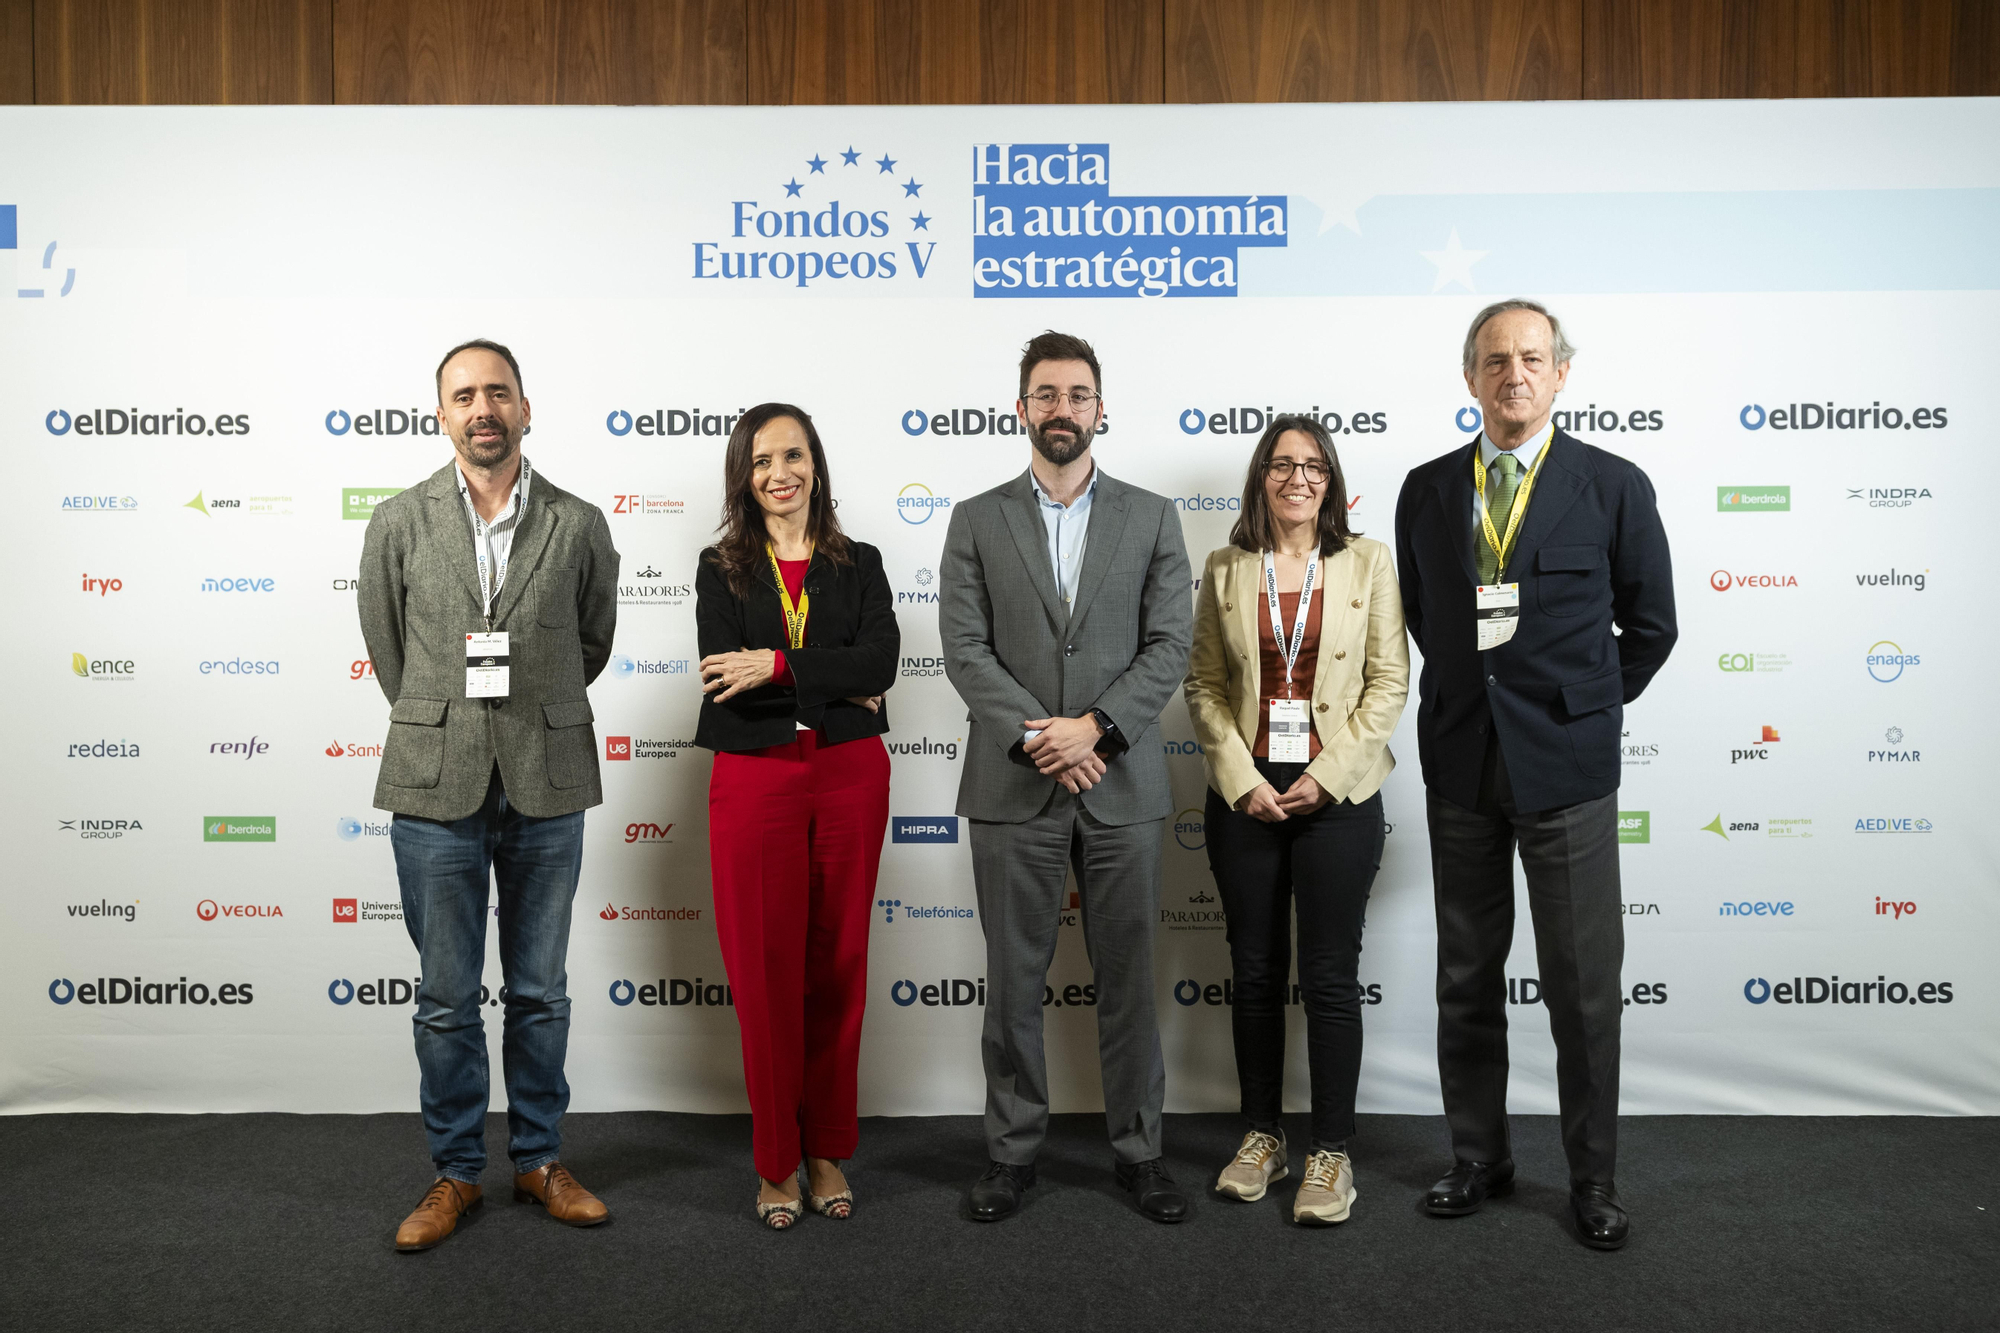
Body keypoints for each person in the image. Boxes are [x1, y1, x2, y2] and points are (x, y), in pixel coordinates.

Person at [1394, 300, 1676, 1250]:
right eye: (1493, 360)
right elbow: (1428, 623)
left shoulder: (1613, 484)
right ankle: (1480, 1157)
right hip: (1463, 765)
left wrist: (1582, 710)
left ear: (1561, 374)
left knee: (1584, 989)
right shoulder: (1425, 490)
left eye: (1531, 358)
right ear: (1469, 378)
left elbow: (1652, 626)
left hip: (1568, 771)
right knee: (1465, 976)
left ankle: (1593, 1178)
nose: (1512, 374)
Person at [359, 338, 620, 1252]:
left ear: (525, 407)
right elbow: (390, 649)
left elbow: (591, 643)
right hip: (437, 780)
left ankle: (540, 1158)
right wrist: (445, 722)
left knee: (541, 991)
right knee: (443, 996)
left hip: (547, 776)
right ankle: (456, 1173)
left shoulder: (580, 522)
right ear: (442, 414)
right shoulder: (398, 521)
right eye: (464, 395)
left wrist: (522, 715)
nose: (483, 408)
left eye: (498, 392)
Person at [939, 331, 1194, 1224]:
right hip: (1015, 787)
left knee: (1128, 979)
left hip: (1121, 786)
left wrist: (1100, 728)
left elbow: (1170, 645)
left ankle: (1141, 1152)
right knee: (1013, 983)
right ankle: (1011, 1154)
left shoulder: (1153, 516)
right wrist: (1045, 737)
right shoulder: (976, 517)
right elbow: (964, 650)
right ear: (1021, 410)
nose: (1062, 409)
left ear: (1099, 407)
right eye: (1045, 395)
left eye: (1077, 395)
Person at [1182, 414, 1408, 1225]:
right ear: (1260, 477)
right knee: (1252, 970)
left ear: (1332, 478)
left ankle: (1333, 1152)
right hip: (1246, 795)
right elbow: (1203, 685)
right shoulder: (1223, 567)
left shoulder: (1367, 562)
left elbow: (1389, 684)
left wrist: (1324, 774)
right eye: (1282, 464)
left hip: (1336, 795)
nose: (1298, 478)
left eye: (1313, 465)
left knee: (1328, 975)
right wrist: (1241, 777)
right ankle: (1261, 1136)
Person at [694, 403, 898, 1231]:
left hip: (849, 775)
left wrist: (777, 662)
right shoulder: (722, 568)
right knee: (766, 973)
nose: (781, 472)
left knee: (838, 964)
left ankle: (827, 1148)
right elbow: (719, 673)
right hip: (757, 778)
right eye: (762, 460)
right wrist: (836, 680)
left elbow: (882, 660)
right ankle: (776, 1157)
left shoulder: (863, 561)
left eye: (795, 454)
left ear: (817, 463)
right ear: (744, 477)